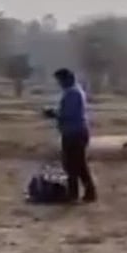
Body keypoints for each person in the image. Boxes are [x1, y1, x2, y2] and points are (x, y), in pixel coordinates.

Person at [43, 68, 97, 203]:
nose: (59, 83)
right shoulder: (73, 92)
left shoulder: (72, 93)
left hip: (75, 133)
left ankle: (74, 194)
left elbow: (68, 114)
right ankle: (87, 193)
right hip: (74, 132)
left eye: (60, 80)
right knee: (78, 164)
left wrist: (53, 114)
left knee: (72, 165)